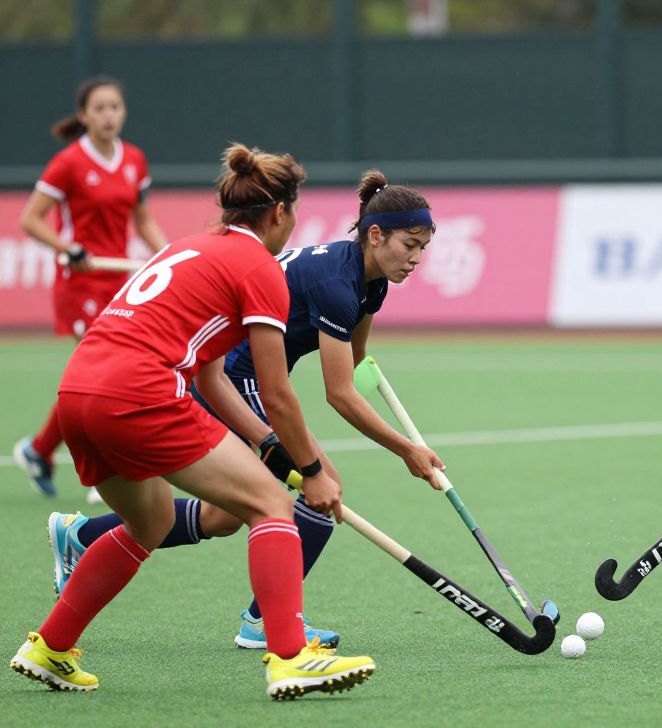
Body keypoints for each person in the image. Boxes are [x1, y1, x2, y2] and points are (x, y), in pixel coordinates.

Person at [10, 143, 375, 700]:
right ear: (280, 212)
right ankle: (289, 656)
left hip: (78, 394)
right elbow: (276, 392)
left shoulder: (191, 248)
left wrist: (271, 448)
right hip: (140, 395)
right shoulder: (261, 269)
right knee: (272, 505)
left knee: (149, 523)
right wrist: (311, 468)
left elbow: (210, 378)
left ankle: (50, 646)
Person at [45, 169, 445, 651]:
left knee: (222, 517)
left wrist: (370, 375)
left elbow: (354, 364)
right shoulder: (338, 285)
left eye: (424, 247)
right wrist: (405, 449)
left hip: (230, 377)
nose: (417, 258)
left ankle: (82, 535)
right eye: (410, 244)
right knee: (320, 487)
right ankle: (265, 624)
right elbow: (337, 393)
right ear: (375, 235)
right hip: (236, 376)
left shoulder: (371, 282)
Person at [13, 75, 167, 501]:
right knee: (106, 372)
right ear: (84, 116)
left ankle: (40, 450)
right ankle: (110, 468)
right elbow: (31, 219)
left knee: (101, 374)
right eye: (99, 108)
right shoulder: (68, 163)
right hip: (78, 283)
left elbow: (143, 219)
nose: (108, 115)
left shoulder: (134, 159)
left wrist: (167, 253)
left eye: (114, 107)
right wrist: (69, 246)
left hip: (118, 284)